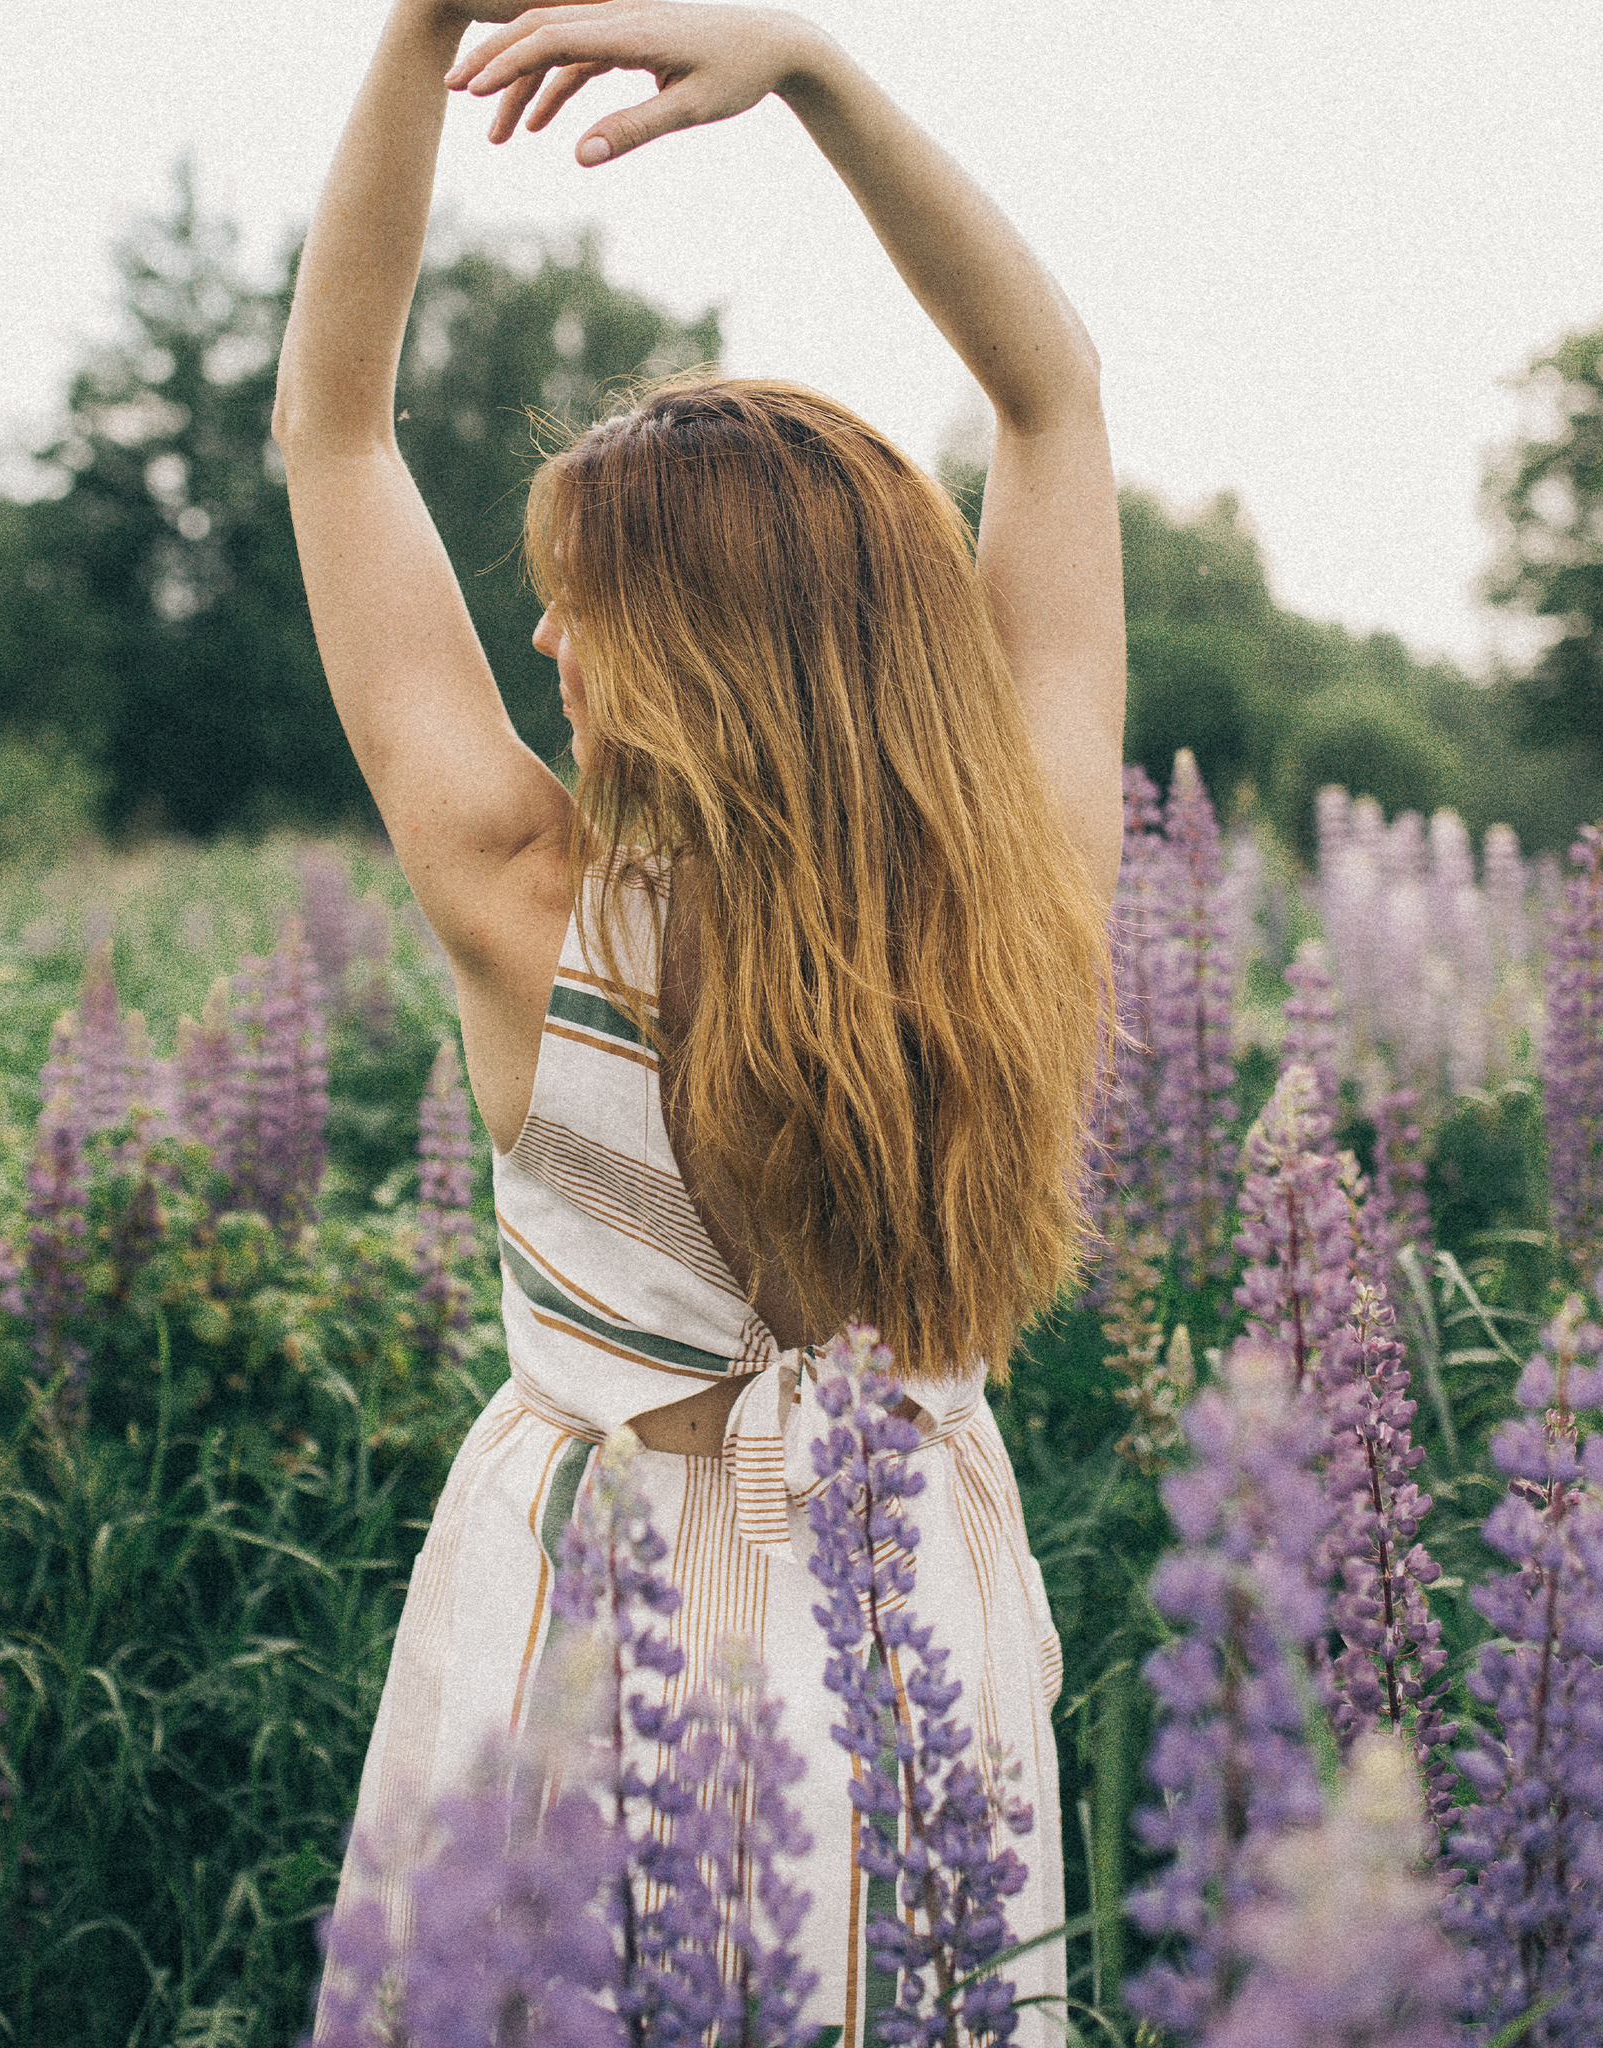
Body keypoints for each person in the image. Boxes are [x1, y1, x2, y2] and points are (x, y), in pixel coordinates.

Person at [273, 2, 1124, 2037]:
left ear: (692, 662)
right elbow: (1053, 405)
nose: (545, 634)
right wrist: (816, 74)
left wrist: (418, 33)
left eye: (586, 602)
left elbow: (333, 428)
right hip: (909, 1623)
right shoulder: (1024, 904)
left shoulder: (528, 908)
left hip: (585, 1631)